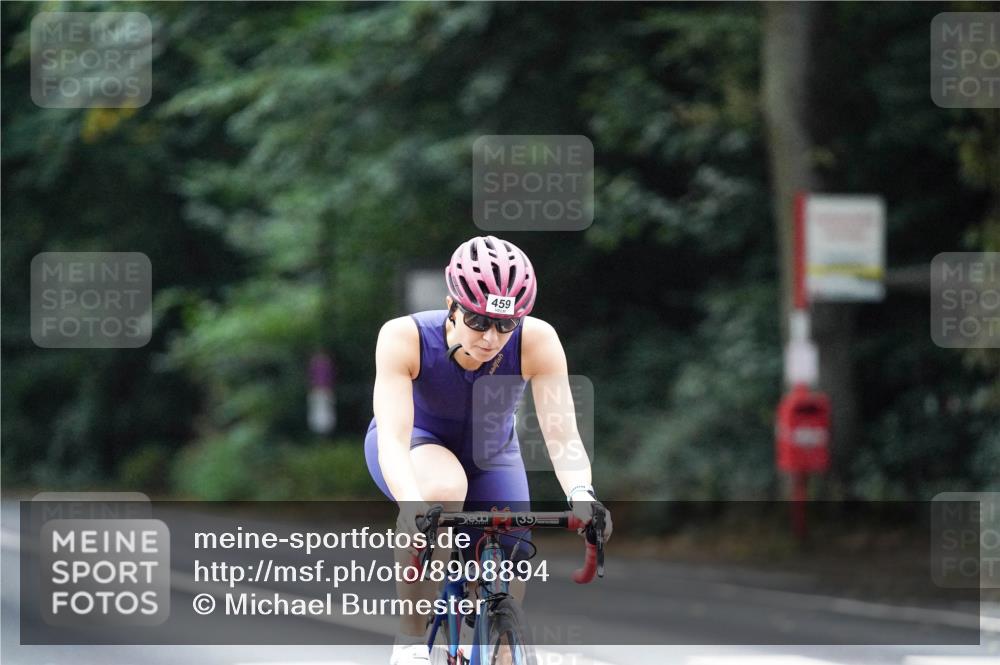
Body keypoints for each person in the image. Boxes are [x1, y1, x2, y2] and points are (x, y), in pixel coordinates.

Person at [364, 235, 612, 665]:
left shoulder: (538, 341)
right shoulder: (404, 337)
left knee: (509, 574)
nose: (491, 337)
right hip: (416, 444)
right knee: (443, 490)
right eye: (478, 321)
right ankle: (410, 641)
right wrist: (411, 503)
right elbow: (393, 438)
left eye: (505, 324)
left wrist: (582, 495)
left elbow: (562, 436)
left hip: (493, 456)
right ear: (451, 305)